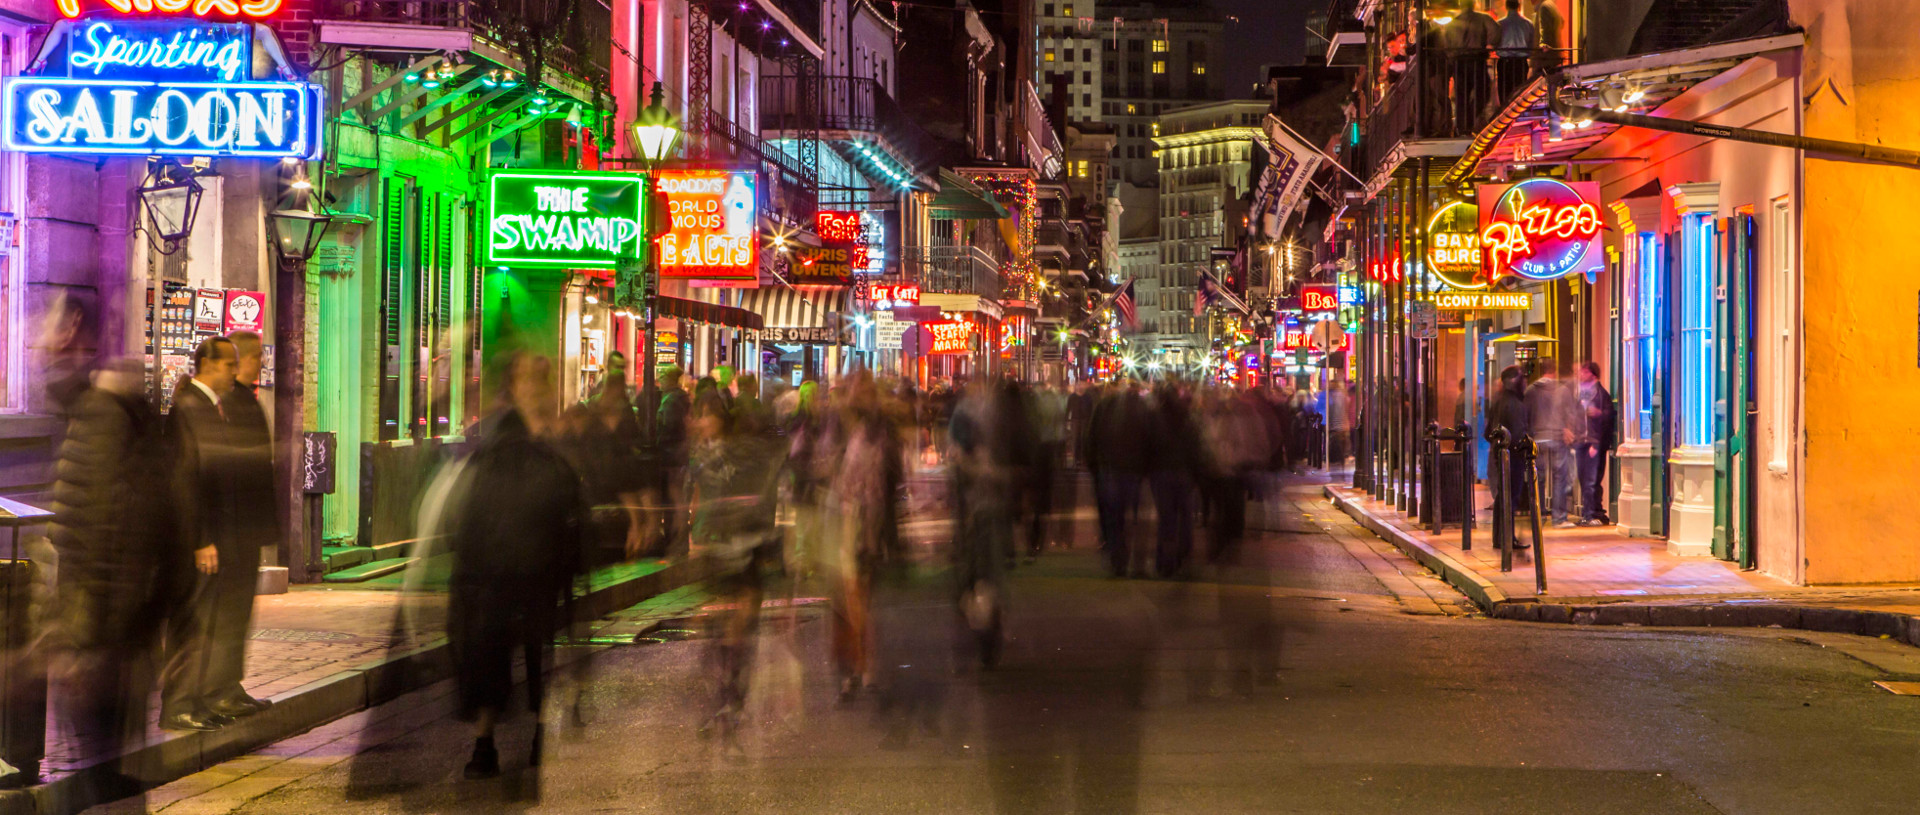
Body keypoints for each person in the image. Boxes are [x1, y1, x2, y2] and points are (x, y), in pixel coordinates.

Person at [448, 352, 585, 778]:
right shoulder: (502, 441)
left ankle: (533, 733)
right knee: (491, 649)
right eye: (526, 380)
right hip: (496, 563)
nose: (532, 388)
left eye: (536, 381)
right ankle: (486, 741)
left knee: (534, 647)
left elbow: (568, 505)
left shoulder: (541, 444)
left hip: (534, 563)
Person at [160, 336, 269, 732]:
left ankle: (203, 698)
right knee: (193, 619)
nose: (234, 372)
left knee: (211, 618)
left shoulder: (212, 406)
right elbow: (185, 480)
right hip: (201, 538)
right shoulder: (189, 408)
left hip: (219, 534)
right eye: (228, 365)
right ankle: (178, 705)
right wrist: (201, 538)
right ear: (207, 364)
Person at [1525, 363, 1580, 528]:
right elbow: (1571, 414)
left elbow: (1525, 414)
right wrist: (1568, 429)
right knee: (1559, 478)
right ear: (1554, 371)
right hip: (1557, 438)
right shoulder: (1562, 390)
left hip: (1537, 439)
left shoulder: (1530, 391)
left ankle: (1539, 515)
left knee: (1538, 478)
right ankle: (1559, 518)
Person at [1484, 365, 1531, 550]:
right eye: (1523, 379)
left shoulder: (1498, 402)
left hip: (1499, 457)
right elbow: (1519, 435)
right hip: (1512, 460)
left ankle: (1500, 538)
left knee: (1501, 499)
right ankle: (1507, 539)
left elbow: (1487, 433)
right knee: (1509, 498)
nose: (1526, 383)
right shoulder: (1516, 405)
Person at [1574, 361, 1616, 526]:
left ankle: (1591, 514)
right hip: (1582, 441)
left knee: (1591, 480)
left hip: (1593, 443)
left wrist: (1596, 443)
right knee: (1585, 479)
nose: (1580, 375)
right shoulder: (1582, 394)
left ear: (1593, 374)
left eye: (1583, 372)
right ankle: (1593, 512)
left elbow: (1607, 419)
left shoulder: (1600, 395)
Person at [1494, 0, 1536, 99]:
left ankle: (1505, 112)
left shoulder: (1500, 24)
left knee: (1504, 91)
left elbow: (1495, 42)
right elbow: (1532, 43)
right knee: (1520, 91)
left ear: (1506, 7)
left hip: (1505, 62)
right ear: (1519, 6)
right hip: (1520, 62)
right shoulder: (1527, 23)